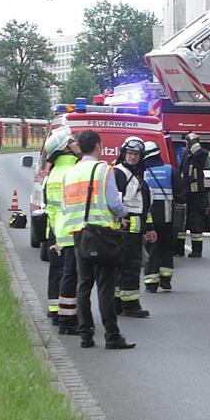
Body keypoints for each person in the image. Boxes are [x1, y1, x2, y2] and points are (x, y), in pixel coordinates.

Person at [61, 130, 136, 350]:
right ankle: (112, 336)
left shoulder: (71, 172)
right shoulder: (103, 170)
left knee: (83, 285)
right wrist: (123, 215)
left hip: (78, 234)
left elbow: (66, 205)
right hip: (102, 234)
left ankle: (86, 336)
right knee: (105, 286)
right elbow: (114, 203)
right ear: (97, 145)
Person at [42, 127, 81, 334]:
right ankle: (68, 315)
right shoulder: (74, 172)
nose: (76, 143)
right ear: (66, 148)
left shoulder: (52, 174)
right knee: (71, 276)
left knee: (56, 273)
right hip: (71, 233)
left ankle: (55, 310)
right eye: (73, 141)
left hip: (55, 231)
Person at [113, 136, 155, 318]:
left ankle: (121, 303)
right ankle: (128, 305)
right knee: (127, 267)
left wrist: (149, 227)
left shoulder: (138, 175)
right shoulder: (119, 173)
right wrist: (120, 219)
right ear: (123, 154)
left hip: (136, 229)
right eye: (129, 153)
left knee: (130, 266)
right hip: (123, 229)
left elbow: (144, 206)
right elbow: (114, 201)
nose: (132, 157)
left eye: (136, 154)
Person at [142, 140, 182, 293]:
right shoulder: (170, 170)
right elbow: (180, 195)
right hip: (168, 216)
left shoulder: (142, 172)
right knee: (166, 247)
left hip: (149, 216)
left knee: (152, 247)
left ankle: (151, 283)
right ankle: (166, 280)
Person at [180, 133, 210, 258]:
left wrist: (194, 142)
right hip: (185, 194)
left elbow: (201, 154)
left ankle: (197, 251)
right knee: (180, 223)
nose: (187, 146)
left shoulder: (200, 155)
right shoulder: (186, 157)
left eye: (189, 143)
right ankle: (178, 250)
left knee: (196, 224)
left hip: (197, 196)